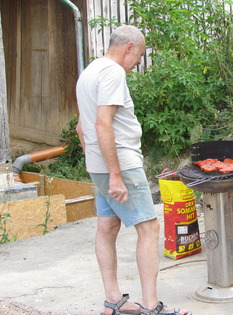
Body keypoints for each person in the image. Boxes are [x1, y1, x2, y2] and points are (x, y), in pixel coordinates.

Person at [75, 25, 191, 315]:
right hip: (121, 164)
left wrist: (97, 163)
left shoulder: (89, 71)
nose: (136, 64)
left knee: (107, 226)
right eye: (138, 56)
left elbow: (81, 127)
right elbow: (102, 124)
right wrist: (115, 174)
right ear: (128, 47)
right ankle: (152, 306)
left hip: (99, 163)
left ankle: (113, 302)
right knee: (149, 228)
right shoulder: (113, 72)